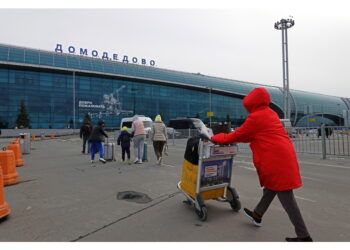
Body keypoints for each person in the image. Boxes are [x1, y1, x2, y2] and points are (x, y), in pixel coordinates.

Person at [210, 88, 312, 242]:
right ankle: (257, 214)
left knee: (286, 197)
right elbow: (251, 135)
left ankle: (304, 236)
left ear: (252, 103)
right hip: (284, 155)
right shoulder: (270, 113)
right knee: (272, 187)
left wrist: (213, 137)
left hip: (276, 160)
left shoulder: (256, 118)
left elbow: (236, 135)